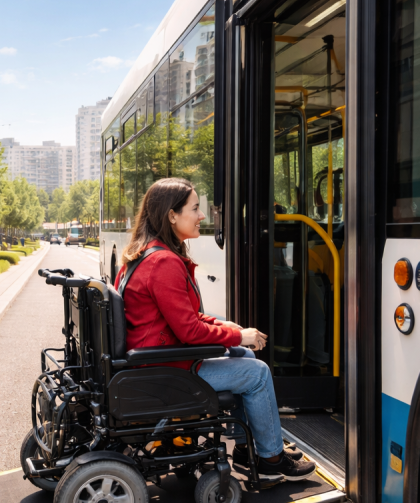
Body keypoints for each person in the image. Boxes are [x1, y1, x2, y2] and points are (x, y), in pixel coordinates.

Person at [115, 178, 315, 481]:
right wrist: (237, 335)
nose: (202, 216)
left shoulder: (143, 255)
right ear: (172, 215)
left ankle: (252, 450)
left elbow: (182, 317)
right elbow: (189, 332)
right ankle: (271, 460)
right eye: (195, 209)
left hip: (156, 361)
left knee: (245, 357)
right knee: (257, 373)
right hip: (167, 372)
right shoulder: (164, 263)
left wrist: (225, 327)